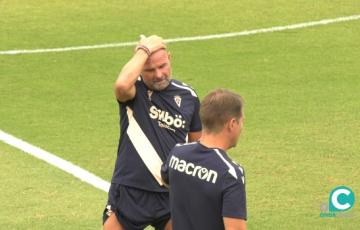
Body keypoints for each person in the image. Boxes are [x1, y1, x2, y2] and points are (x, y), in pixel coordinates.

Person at [103, 35, 202, 230]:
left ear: (170, 59)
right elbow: (121, 85)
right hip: (132, 190)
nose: (158, 74)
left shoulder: (188, 96)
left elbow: (197, 147)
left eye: (162, 66)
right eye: (149, 69)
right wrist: (144, 50)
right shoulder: (135, 91)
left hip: (170, 193)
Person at [161, 89, 247, 230]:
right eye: (241, 121)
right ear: (232, 124)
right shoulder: (230, 173)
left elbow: (166, 181)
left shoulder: (177, 153)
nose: (242, 128)